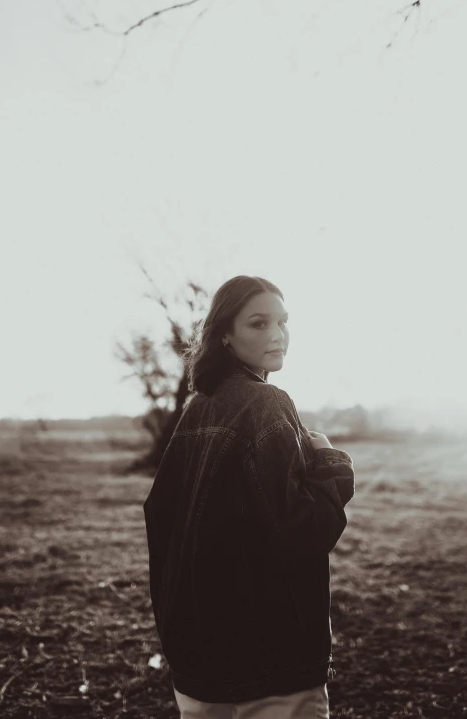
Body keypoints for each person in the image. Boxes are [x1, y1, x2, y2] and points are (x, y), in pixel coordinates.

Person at [143, 275, 355, 718]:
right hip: (270, 663)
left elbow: (159, 520)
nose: (278, 335)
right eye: (258, 323)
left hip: (198, 660)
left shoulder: (198, 407)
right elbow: (306, 531)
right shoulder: (266, 404)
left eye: (283, 321)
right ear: (224, 334)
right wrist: (329, 462)